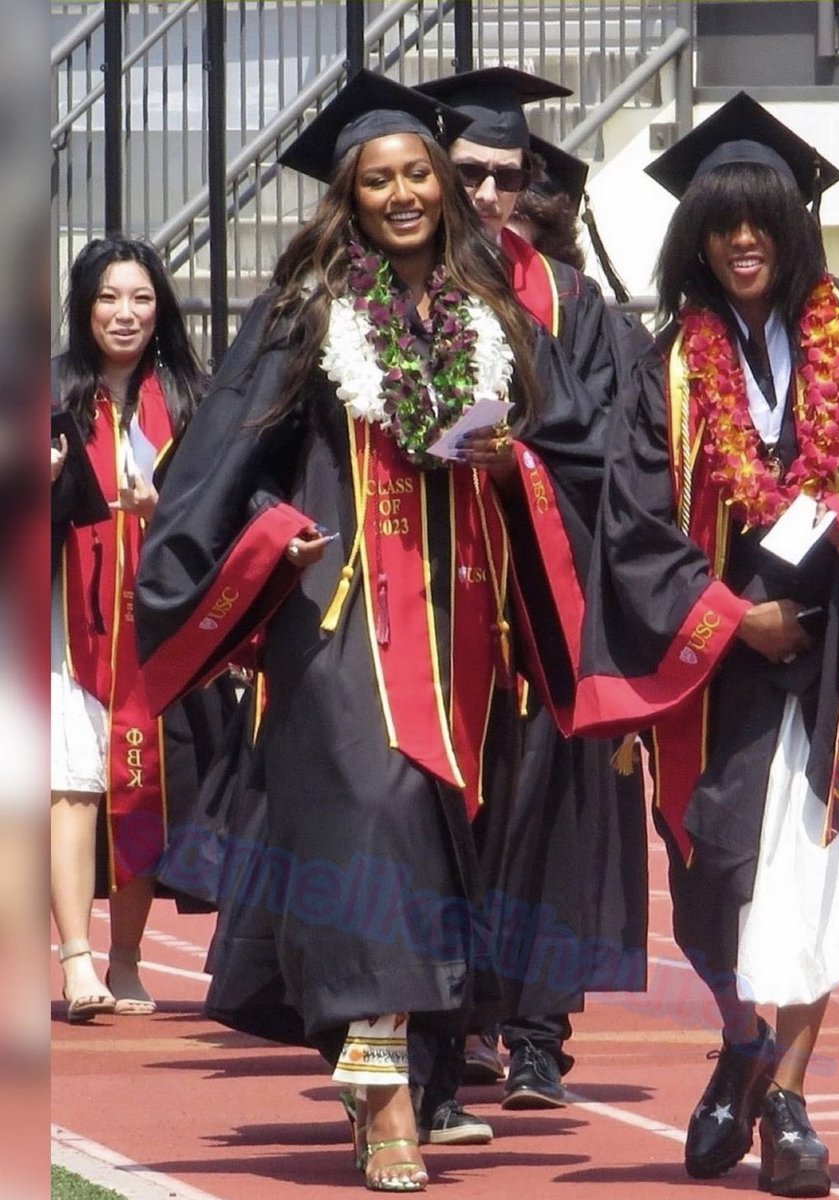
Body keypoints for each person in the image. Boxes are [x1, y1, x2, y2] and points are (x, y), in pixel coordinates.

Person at [134, 70, 602, 1193]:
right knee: (372, 834)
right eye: (378, 180)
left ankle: (407, 1070)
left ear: (444, 189)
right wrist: (266, 538)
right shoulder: (306, 313)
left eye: (416, 177)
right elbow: (215, 469)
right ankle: (383, 1101)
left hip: (463, 631)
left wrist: (516, 462)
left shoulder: (488, 313)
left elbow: (575, 452)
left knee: (437, 853)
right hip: (338, 620)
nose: (402, 195)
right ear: (350, 197)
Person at [547, 92, 839, 1196]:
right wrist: (727, 616)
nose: (743, 239)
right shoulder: (667, 366)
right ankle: (742, 1041)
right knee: (717, 881)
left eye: (761, 219)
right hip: (717, 664)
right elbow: (635, 522)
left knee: (822, 871)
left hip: (838, 641)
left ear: (795, 224)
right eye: (722, 221)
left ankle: (791, 1104)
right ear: (696, 235)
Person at [417, 66, 651, 1117]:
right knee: (445, 814)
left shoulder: (577, 302)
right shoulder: (390, 291)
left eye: (508, 176)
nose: (490, 195)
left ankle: (539, 1034)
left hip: (546, 595)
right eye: (469, 171)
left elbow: (618, 434)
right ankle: (447, 1015)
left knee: (548, 813)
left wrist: (521, 452)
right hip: (429, 597)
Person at [51, 235, 208, 1022]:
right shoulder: (46, 397)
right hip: (62, 617)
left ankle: (127, 958)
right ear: (83, 306)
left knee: (139, 779)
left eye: (141, 297)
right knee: (73, 784)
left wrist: (167, 511)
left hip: (154, 622)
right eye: (109, 297)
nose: (125, 313)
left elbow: (219, 506)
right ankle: (77, 957)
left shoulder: (186, 398)